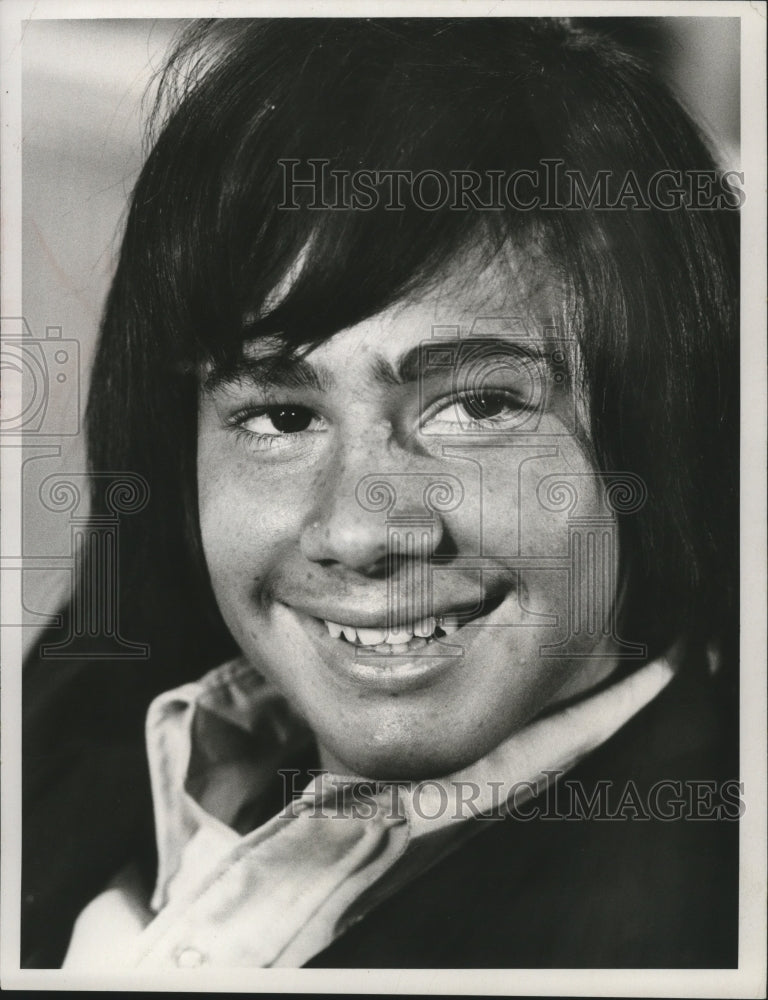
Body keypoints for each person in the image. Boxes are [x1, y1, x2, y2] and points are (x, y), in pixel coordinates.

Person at [22, 17, 739, 970]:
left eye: (479, 405)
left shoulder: (693, 922)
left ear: (666, 428)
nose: (360, 530)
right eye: (280, 416)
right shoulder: (104, 684)